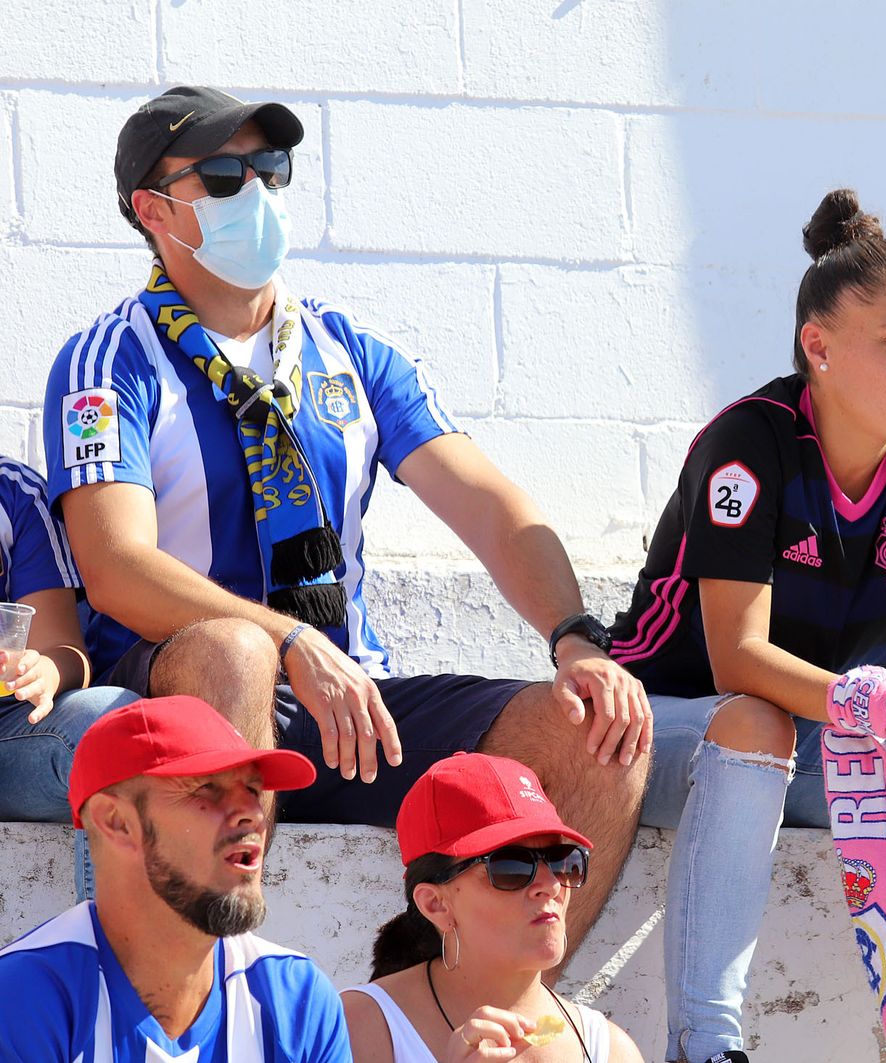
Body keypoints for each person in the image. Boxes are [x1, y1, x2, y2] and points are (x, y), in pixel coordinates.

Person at [42, 85, 650, 952]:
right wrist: (290, 642)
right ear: (152, 209)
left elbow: (489, 504)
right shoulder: (109, 359)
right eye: (221, 175)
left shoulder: (347, 348)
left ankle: (485, 1025)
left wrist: (576, 636)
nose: (255, 191)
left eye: (270, 167)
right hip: (186, 691)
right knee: (234, 649)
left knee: (599, 731)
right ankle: (221, 1006)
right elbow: (113, 564)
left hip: (351, 703)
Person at [608, 188, 886, 1062]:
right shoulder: (749, 443)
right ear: (819, 348)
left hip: (831, 737)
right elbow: (738, 657)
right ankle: (706, 1044)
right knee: (756, 722)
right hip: (666, 727)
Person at [0, 695, 349, 1061]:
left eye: (252, 790)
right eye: (206, 788)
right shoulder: (23, 1000)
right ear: (116, 822)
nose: (252, 815)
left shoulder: (296, 1002)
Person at [343, 752, 643, 1062]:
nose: (551, 885)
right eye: (510, 868)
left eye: (562, 861)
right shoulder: (361, 1026)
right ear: (436, 905)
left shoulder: (609, 1049)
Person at [0, 455, 138, 827]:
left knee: (116, 723)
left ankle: (112, 889)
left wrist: (43, 671)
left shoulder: (14, 492)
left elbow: (66, 651)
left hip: (10, 733)